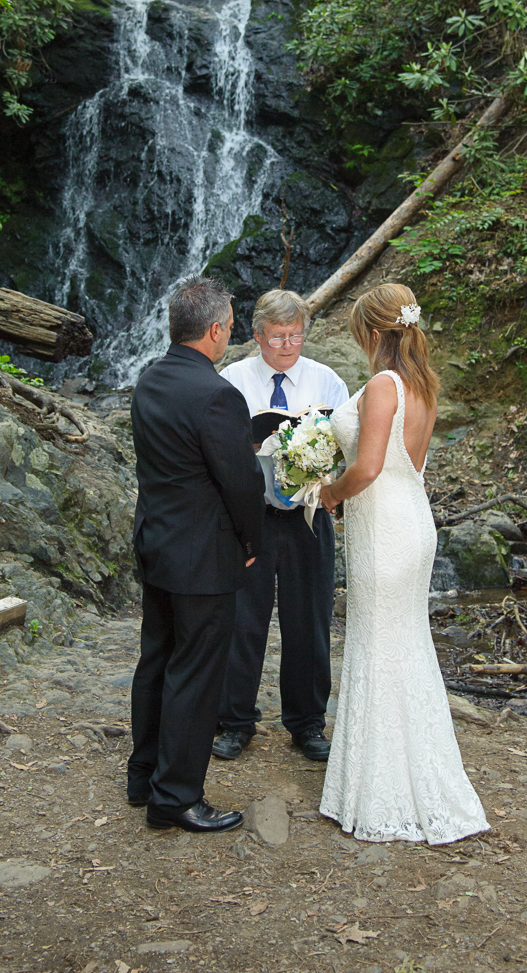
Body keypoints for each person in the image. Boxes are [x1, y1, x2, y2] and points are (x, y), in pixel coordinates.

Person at [318, 284, 489, 844]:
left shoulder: (383, 385)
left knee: (378, 644)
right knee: (405, 644)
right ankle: (412, 777)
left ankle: (382, 791)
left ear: (372, 334)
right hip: (412, 518)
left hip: (384, 527)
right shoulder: (424, 386)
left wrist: (327, 493)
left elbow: (366, 468)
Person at [127, 276, 265, 833]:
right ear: (213, 331)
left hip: (157, 545)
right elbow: (241, 484)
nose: (230, 335)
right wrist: (251, 543)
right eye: (230, 328)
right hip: (204, 558)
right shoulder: (217, 395)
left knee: (156, 661)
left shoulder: (149, 380)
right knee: (196, 673)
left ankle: (145, 778)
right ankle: (176, 797)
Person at [213, 289, 349, 763]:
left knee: (308, 622)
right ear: (256, 336)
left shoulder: (326, 380)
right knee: (241, 621)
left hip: (308, 518)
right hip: (249, 517)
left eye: (295, 337)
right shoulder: (232, 379)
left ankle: (308, 723)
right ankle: (234, 722)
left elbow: (345, 445)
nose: (287, 346)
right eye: (277, 337)